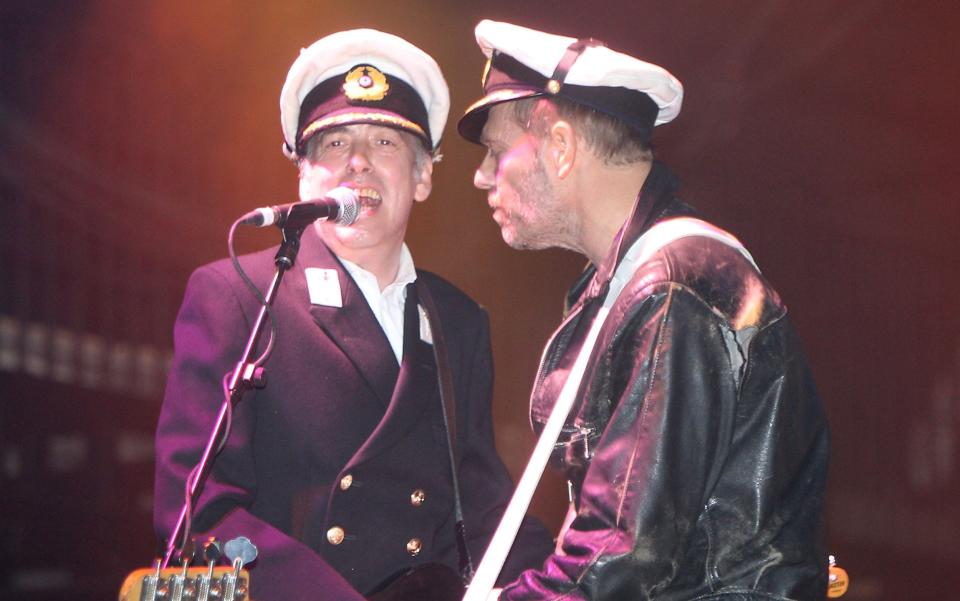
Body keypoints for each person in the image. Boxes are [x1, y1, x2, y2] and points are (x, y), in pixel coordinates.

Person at [154, 28, 552, 601]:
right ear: (304, 174)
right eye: (335, 144)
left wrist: (578, 583)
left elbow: (485, 512)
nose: (358, 163)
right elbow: (196, 510)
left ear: (422, 177)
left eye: (385, 144)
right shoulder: (239, 293)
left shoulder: (457, 321)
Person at [458, 20, 830, 601]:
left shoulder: (674, 286)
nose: (481, 176)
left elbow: (620, 559)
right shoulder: (640, 284)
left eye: (497, 151)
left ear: (560, 148)